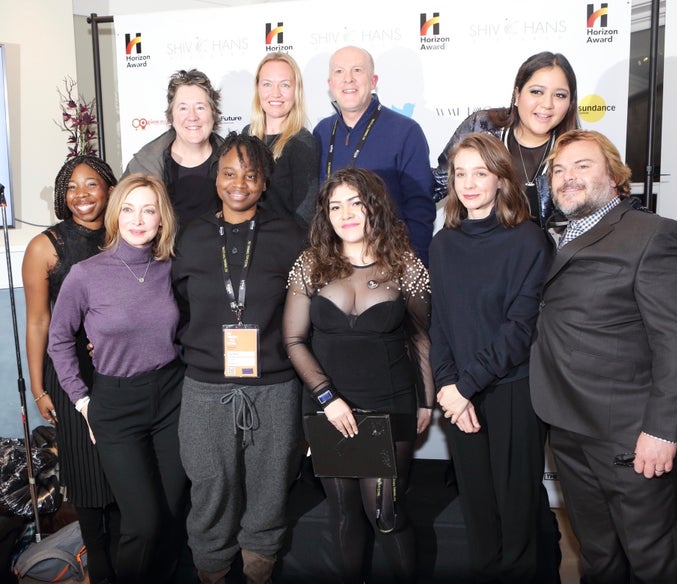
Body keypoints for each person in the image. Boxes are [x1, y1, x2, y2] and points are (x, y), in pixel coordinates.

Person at [529, 129, 677, 583]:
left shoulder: (652, 235)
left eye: (582, 166)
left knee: (654, 561)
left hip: (632, 438)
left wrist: (663, 431)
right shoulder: (553, 240)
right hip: (568, 429)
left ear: (615, 177)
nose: (568, 178)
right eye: (559, 171)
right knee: (598, 556)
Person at [284, 167, 434, 583]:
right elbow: (294, 340)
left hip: (390, 404)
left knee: (385, 514)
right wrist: (328, 399)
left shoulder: (405, 265)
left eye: (355, 203)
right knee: (345, 513)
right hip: (329, 407)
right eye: (335, 206)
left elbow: (421, 336)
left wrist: (426, 399)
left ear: (375, 207)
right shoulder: (310, 264)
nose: (345, 214)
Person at [172, 132, 305, 584]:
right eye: (229, 173)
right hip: (206, 387)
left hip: (274, 385)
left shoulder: (290, 236)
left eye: (251, 175)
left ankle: (259, 566)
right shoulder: (189, 237)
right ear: (216, 179)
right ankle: (210, 567)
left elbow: (309, 307)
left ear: (265, 182)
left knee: (270, 487)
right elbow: (174, 305)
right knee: (210, 486)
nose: (239, 183)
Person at [430, 133, 558, 582]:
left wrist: (464, 387)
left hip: (511, 393)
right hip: (459, 397)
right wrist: (448, 387)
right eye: (459, 174)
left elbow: (520, 329)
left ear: (501, 179)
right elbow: (440, 324)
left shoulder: (528, 242)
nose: (469, 183)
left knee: (517, 517)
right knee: (480, 516)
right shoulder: (444, 244)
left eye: (480, 173)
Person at [47, 173, 187, 584]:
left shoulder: (172, 268)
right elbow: (59, 340)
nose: (138, 219)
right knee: (142, 523)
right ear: (115, 214)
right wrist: (82, 399)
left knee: (172, 511)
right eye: (128, 209)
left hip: (172, 397)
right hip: (116, 404)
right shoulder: (86, 274)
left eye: (148, 210)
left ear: (162, 219)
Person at [22, 155, 119, 584]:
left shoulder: (125, 236)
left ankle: (124, 559)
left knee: (124, 471)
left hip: (119, 370)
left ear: (110, 189)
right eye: (73, 187)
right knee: (85, 476)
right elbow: (39, 320)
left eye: (92, 184)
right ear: (64, 195)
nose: (82, 195)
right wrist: (40, 390)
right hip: (68, 374)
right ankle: (96, 564)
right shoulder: (46, 246)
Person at [313, 45, 436, 265]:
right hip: (334, 266)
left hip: (389, 266)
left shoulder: (405, 131)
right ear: (330, 84)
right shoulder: (321, 132)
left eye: (357, 70)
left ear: (373, 81)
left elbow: (421, 211)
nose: (348, 79)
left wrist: (413, 269)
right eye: (339, 71)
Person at [434, 51, 579, 232]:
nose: (547, 104)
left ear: (570, 102)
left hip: (544, 257)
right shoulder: (482, 126)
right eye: (536, 92)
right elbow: (436, 184)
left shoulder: (576, 152)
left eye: (560, 95)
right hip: (473, 252)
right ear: (517, 94)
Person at [123, 68, 224, 231]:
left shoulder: (234, 162)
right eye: (183, 108)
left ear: (213, 113)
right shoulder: (143, 166)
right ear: (171, 116)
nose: (192, 117)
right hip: (162, 255)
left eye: (200, 107)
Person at [242, 51, 319, 228]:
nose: (275, 93)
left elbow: (305, 218)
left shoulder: (302, 143)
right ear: (258, 89)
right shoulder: (247, 135)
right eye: (267, 84)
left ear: (296, 90)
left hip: (284, 247)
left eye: (284, 85)